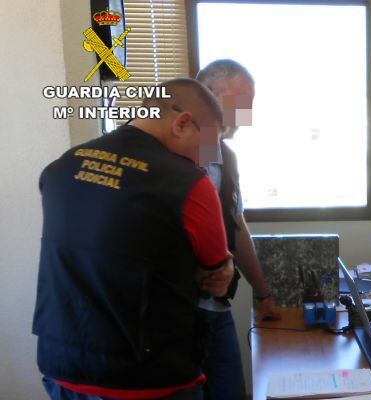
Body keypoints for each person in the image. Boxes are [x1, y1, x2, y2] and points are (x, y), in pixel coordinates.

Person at [33, 78, 235, 400]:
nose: (206, 160)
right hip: (146, 376)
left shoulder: (61, 166)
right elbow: (215, 270)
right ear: (182, 123)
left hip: (63, 366)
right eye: (208, 146)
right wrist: (221, 273)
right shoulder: (190, 184)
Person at [195, 59, 281, 400]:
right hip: (173, 317)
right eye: (241, 101)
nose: (246, 114)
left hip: (216, 308)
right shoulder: (168, 156)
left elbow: (236, 225)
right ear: (208, 95)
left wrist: (264, 294)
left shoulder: (225, 158)